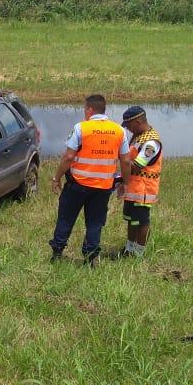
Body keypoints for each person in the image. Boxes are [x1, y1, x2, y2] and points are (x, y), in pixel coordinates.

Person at [48, 94, 131, 266]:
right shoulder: (119, 131)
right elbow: (126, 160)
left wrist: (56, 178)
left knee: (66, 218)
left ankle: (57, 253)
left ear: (90, 110)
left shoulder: (81, 128)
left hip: (77, 184)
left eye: (85, 109)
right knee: (94, 223)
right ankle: (91, 257)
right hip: (103, 187)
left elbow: (68, 156)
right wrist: (124, 182)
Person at [120, 106, 162, 258]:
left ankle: (138, 253)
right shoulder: (138, 137)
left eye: (129, 125)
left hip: (144, 190)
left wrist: (121, 159)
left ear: (138, 122)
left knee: (142, 222)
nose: (128, 129)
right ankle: (128, 249)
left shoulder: (151, 143)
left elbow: (137, 166)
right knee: (131, 220)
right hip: (133, 189)